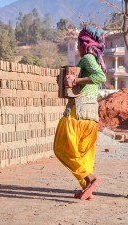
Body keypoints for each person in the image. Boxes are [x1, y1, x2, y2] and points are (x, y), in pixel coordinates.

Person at [54, 25, 107, 201]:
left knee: (62, 147)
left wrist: (75, 80)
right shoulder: (97, 60)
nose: (77, 46)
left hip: (79, 111)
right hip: (92, 114)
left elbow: (100, 77)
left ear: (85, 43)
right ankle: (88, 189)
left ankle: (90, 179)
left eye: (78, 42)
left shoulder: (87, 59)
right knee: (84, 153)